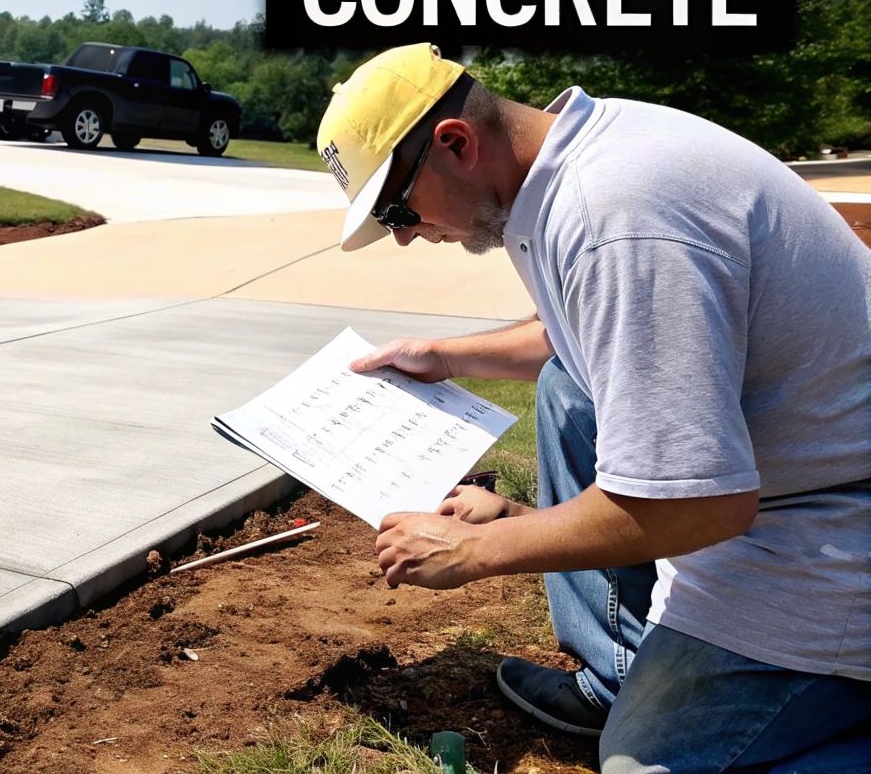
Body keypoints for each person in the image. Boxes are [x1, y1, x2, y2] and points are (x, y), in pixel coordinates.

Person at [314, 44, 871, 771]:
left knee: (645, 764)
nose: (405, 233)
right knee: (570, 388)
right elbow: (585, 332)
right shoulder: (564, 164)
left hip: (831, 524)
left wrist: (481, 547)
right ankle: (619, 673)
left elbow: (702, 507)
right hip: (792, 471)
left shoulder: (618, 218)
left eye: (397, 207)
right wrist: (447, 357)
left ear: (454, 144)